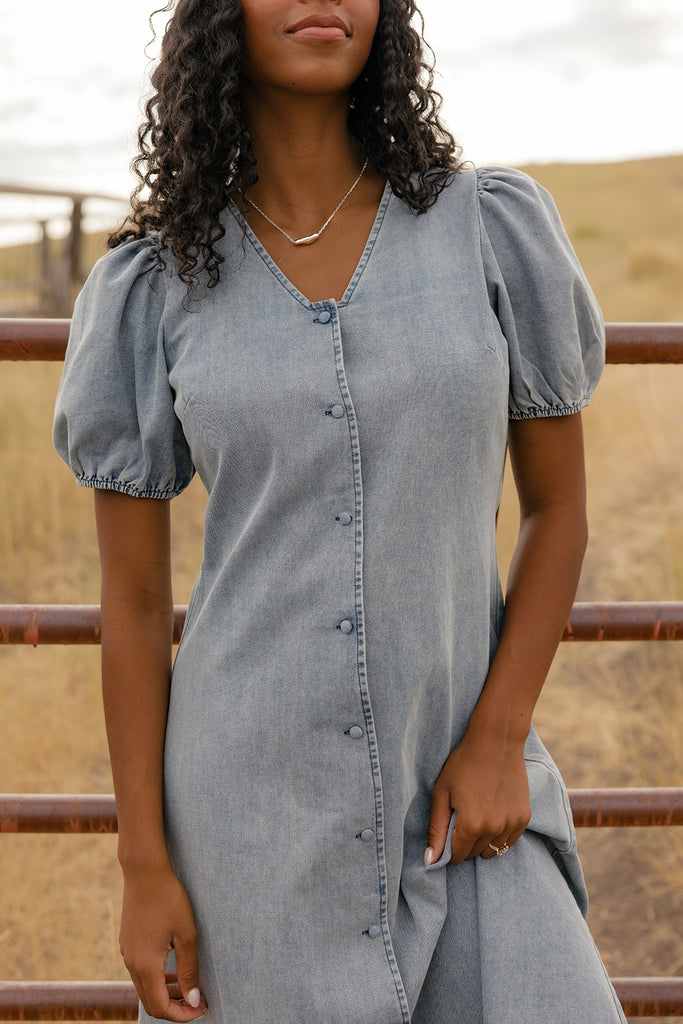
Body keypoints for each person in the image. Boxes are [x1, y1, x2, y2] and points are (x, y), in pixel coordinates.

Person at [53, 0, 628, 1021]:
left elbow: (557, 506)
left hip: (469, 788)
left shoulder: (487, 231)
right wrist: (143, 866)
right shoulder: (156, 287)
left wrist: (498, 733)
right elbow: (135, 606)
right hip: (250, 817)